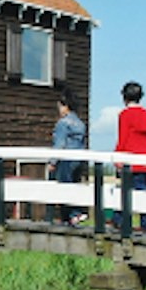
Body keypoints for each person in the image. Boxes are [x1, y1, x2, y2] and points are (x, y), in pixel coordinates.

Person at [115, 81, 146, 233]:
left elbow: (123, 138)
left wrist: (118, 157)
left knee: (125, 191)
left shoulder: (125, 115)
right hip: (145, 161)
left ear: (125, 98)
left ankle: (119, 221)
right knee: (143, 192)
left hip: (130, 161)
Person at [51, 91, 88, 225]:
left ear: (65, 106)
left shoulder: (63, 123)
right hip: (78, 159)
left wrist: (52, 162)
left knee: (64, 187)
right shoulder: (79, 123)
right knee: (74, 186)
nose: (59, 111)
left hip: (66, 159)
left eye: (60, 107)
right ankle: (75, 214)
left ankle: (71, 215)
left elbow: (60, 143)